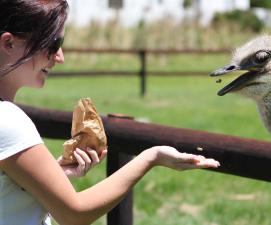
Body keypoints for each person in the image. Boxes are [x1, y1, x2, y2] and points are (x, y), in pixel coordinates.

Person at [0, 1, 220, 225]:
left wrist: (51, 176)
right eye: (53, 44)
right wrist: (150, 158)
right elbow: (74, 214)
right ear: (9, 43)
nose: (60, 57)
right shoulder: (9, 120)